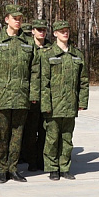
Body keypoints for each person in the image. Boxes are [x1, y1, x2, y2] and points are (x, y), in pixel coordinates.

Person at [0, 4, 38, 183]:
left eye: (20, 18)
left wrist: (33, 94)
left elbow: (35, 70)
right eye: (15, 18)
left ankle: (13, 168)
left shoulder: (28, 42)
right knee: (1, 135)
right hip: (2, 97)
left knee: (17, 135)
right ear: (7, 20)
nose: (18, 21)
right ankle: (1, 170)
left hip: (21, 96)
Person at [35, 21, 88, 180]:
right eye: (61, 31)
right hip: (53, 105)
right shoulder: (47, 54)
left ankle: (64, 167)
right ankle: (52, 168)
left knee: (67, 138)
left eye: (67, 31)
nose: (65, 33)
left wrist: (82, 102)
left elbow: (83, 81)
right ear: (55, 34)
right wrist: (45, 104)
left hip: (70, 104)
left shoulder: (77, 55)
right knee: (51, 139)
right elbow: (43, 82)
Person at [24, 18, 51, 171]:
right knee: (30, 131)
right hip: (30, 96)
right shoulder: (27, 47)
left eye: (44, 30)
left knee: (44, 130)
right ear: (33, 31)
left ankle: (42, 159)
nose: (41, 32)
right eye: (38, 29)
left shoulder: (51, 48)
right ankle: (31, 160)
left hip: (46, 95)